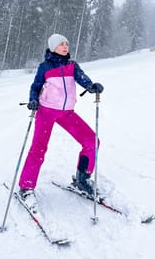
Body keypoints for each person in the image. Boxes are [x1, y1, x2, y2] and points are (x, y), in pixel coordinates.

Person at [18, 34, 104, 204]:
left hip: (66, 113)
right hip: (46, 112)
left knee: (92, 141)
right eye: (61, 44)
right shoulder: (45, 67)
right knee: (38, 149)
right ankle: (26, 187)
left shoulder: (72, 65)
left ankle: (82, 179)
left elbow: (82, 78)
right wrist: (33, 100)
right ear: (52, 47)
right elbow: (35, 87)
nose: (65, 47)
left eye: (66, 44)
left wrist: (91, 86)